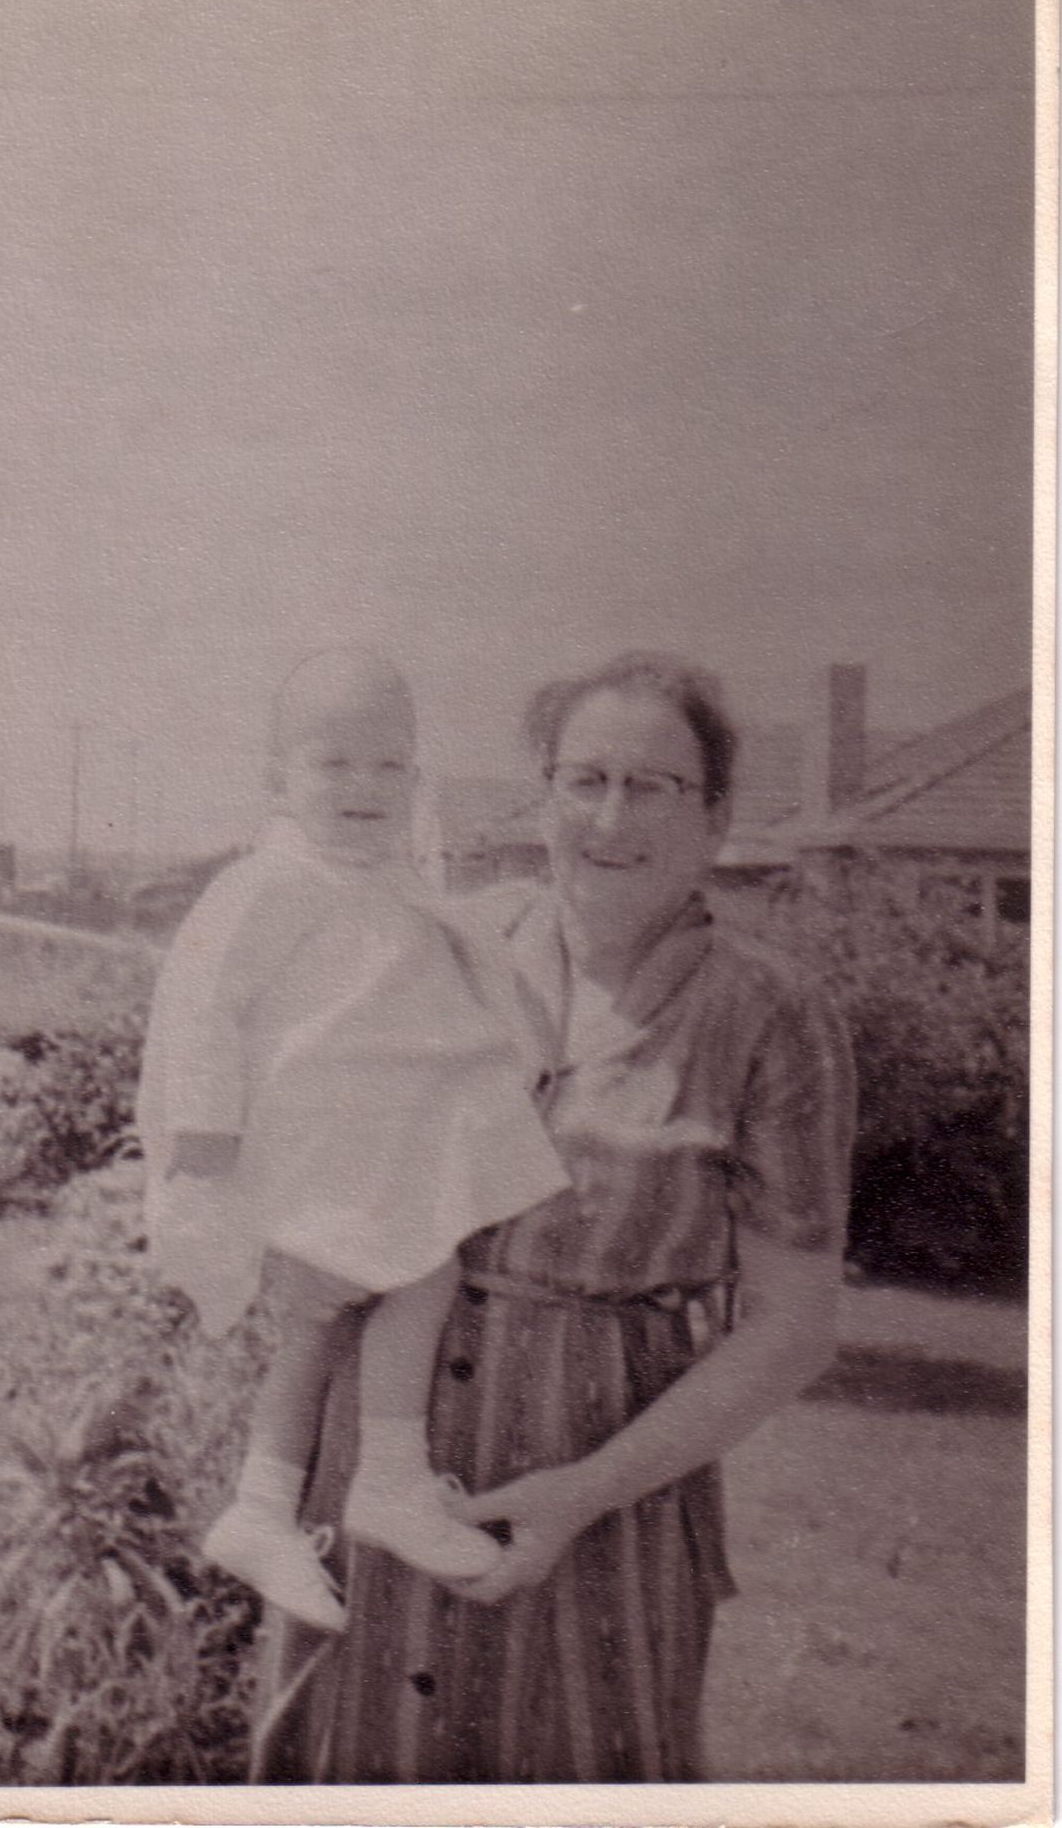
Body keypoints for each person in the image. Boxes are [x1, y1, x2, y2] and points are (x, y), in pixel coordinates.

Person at [252, 649, 856, 1782]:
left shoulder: (769, 1019)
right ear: (541, 797)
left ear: (716, 819)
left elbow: (792, 1327)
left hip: (599, 1506)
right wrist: (283, 1241)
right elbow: (288, 1095)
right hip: (375, 1479)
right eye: (584, 780)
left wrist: (578, 1498)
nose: (610, 816)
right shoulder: (437, 944)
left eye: (652, 787)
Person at [137, 646, 566, 1633]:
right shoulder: (265, 885)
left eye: (388, 766)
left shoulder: (395, 883)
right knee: (367, 1295)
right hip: (297, 1151)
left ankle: (276, 1503)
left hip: (368, 1149)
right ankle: (380, 1480)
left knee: (379, 1299)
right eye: (334, 763)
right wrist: (204, 1147)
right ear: (276, 779)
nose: (364, 787)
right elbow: (204, 1004)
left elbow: (459, 961)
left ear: (415, 780)